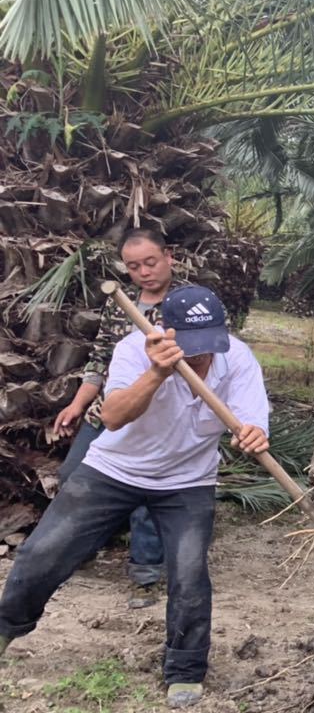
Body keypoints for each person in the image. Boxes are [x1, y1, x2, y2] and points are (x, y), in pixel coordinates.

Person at [0, 286, 269, 708]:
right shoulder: (132, 350)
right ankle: (7, 626)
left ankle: (185, 669)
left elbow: (251, 418)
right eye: (191, 348)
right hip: (113, 470)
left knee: (189, 574)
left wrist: (254, 432)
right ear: (166, 332)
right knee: (41, 555)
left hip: (187, 481)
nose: (201, 358)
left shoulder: (236, 357)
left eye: (208, 346)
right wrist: (158, 373)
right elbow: (113, 415)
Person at [53, 227, 184, 608]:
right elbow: (100, 357)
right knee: (73, 476)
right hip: (108, 410)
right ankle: (75, 554)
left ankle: (145, 575)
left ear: (168, 256)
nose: (143, 272)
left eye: (150, 262)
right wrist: (78, 404)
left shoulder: (188, 303)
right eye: (133, 266)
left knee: (146, 494)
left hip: (158, 416)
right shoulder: (120, 302)